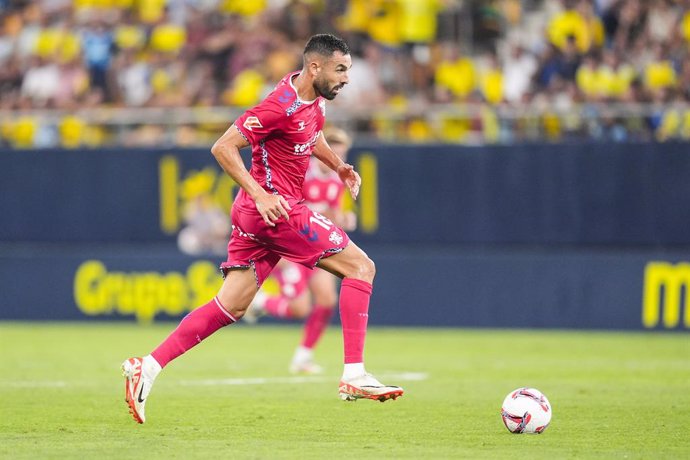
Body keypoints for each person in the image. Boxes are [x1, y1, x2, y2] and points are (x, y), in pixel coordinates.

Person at [121, 34, 403, 424]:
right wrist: (261, 193)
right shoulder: (279, 105)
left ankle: (147, 367)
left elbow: (312, 132)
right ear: (315, 67)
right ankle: (354, 373)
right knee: (361, 267)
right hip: (276, 210)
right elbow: (222, 147)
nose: (347, 78)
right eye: (341, 69)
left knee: (231, 305)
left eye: (348, 70)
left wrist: (337, 165)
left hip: (257, 214)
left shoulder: (311, 97)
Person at [244, 127, 357, 375]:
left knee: (327, 300)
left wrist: (344, 218)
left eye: (341, 153)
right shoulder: (302, 172)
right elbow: (289, 208)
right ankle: (261, 301)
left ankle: (303, 357)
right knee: (300, 309)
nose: (336, 159)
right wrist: (280, 252)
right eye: (333, 153)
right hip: (292, 246)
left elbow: (331, 215)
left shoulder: (337, 182)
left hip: (315, 246)